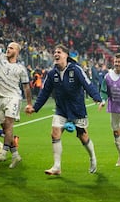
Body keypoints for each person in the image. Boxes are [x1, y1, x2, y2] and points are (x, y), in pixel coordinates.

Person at [25, 44, 102, 175]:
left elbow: (87, 83)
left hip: (77, 109)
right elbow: (44, 92)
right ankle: (57, 166)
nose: (56, 54)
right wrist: (35, 108)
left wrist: (97, 98)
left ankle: (92, 158)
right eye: (55, 52)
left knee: (82, 136)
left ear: (66, 55)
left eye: (59, 52)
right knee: (55, 133)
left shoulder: (76, 69)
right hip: (61, 109)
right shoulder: (51, 73)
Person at [0, 15, 32, 169]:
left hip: (13, 97)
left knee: (9, 124)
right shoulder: (0, 58)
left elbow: (26, 87)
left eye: (11, 48)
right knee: (5, 128)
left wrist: (29, 103)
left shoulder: (21, 68)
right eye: (8, 47)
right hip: (0, 97)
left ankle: (4, 151)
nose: (8, 49)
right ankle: (16, 155)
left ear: (17, 52)